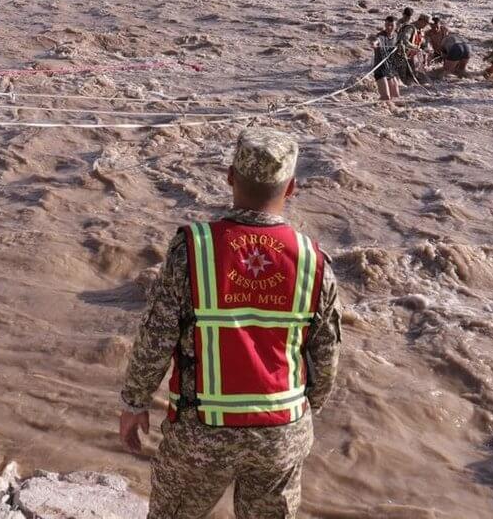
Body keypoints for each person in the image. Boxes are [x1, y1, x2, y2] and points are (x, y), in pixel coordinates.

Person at [119, 128, 342, 519]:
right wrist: (307, 411)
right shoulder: (314, 260)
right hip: (281, 432)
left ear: (229, 177)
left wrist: (135, 402)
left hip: (200, 433)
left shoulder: (194, 249)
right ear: (291, 188)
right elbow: (325, 358)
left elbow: (157, 335)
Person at [373, 15, 401, 102]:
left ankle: (391, 114)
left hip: (390, 69)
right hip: (380, 69)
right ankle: (374, 109)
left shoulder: (396, 36)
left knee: (396, 96)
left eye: (391, 25)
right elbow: (377, 40)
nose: (389, 27)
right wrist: (374, 44)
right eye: (387, 25)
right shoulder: (381, 35)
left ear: (396, 26)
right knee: (386, 97)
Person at [395, 10, 426, 85]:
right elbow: (404, 41)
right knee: (402, 78)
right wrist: (416, 47)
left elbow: (422, 43)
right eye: (426, 23)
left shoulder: (420, 30)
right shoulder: (410, 28)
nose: (426, 25)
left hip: (410, 56)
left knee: (413, 76)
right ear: (421, 21)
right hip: (401, 55)